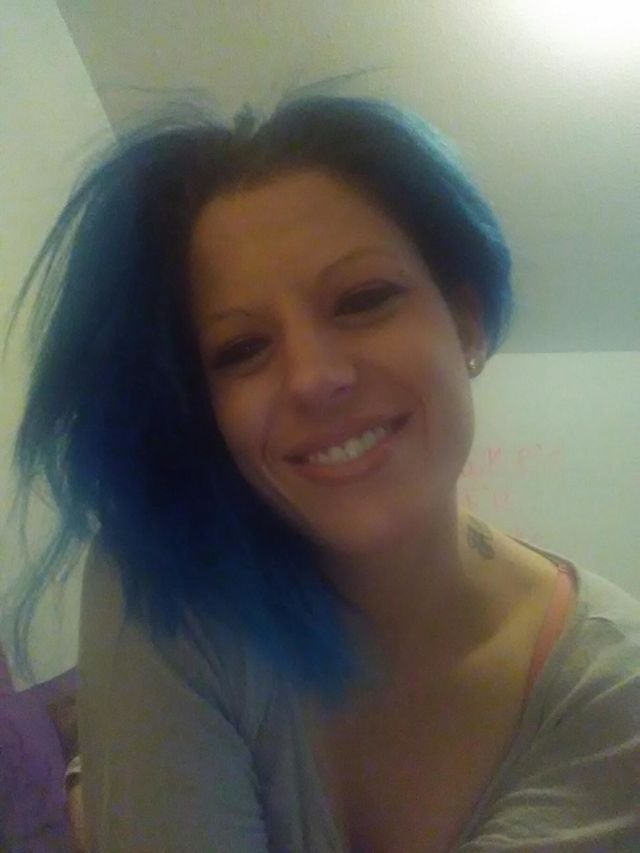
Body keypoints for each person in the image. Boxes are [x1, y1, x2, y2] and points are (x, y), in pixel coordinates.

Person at [7, 95, 640, 852]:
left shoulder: (613, 691)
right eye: (241, 349)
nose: (313, 378)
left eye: (364, 300)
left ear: (465, 321)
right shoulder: (169, 583)